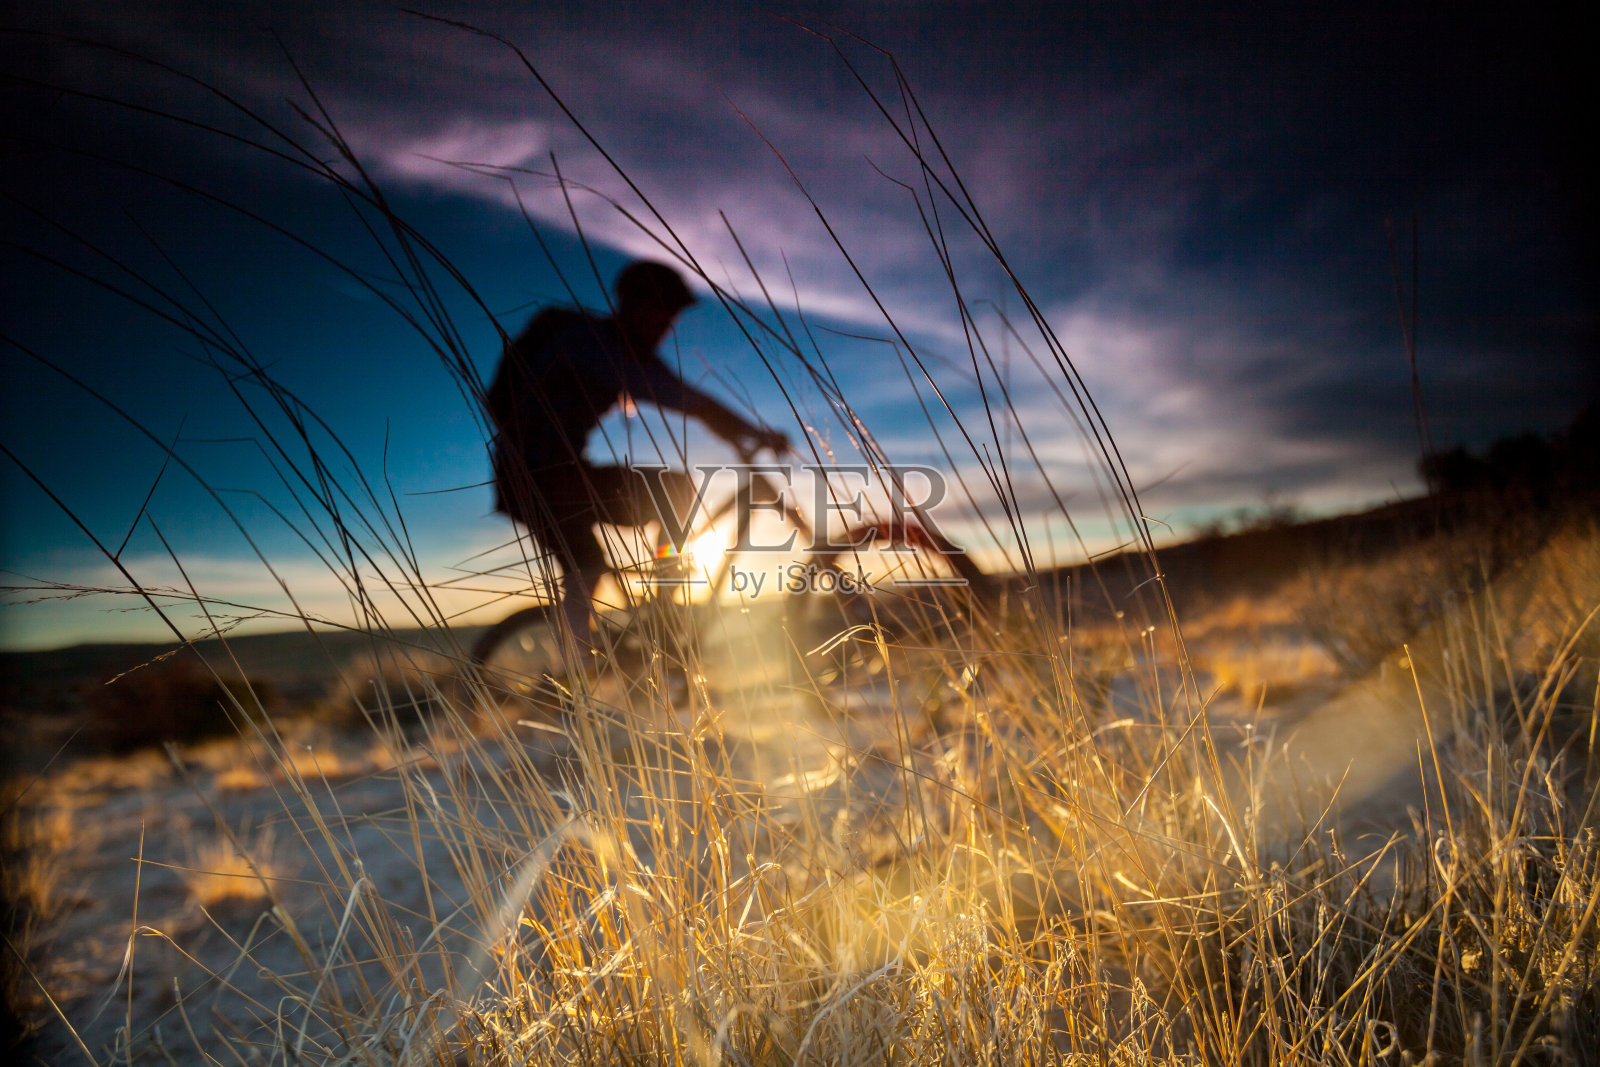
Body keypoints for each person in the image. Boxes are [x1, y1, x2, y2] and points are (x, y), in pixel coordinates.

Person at [486, 260, 788, 653]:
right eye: (661, 311)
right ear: (633, 304)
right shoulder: (598, 344)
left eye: (673, 316)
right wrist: (753, 433)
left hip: (535, 477)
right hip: (540, 476)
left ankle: (586, 661)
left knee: (586, 564)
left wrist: (738, 433)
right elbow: (687, 400)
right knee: (671, 488)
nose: (667, 324)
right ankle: (659, 617)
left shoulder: (611, 346)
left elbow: (686, 398)